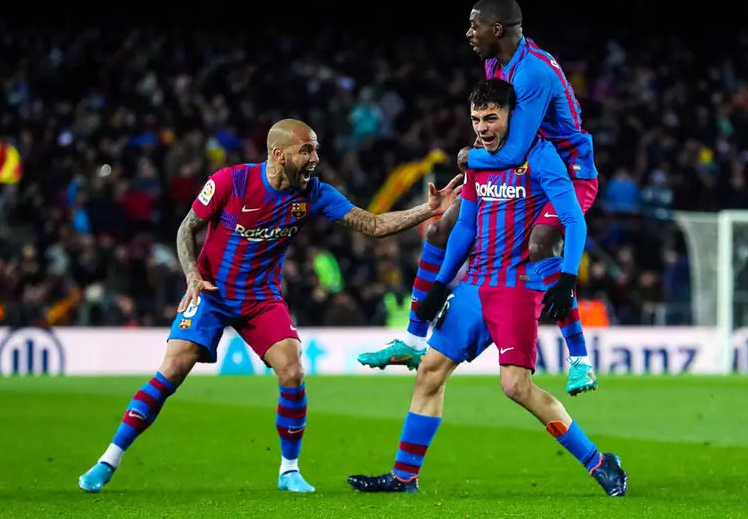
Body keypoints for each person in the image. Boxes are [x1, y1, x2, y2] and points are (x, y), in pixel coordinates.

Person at [78, 119, 462, 494]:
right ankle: (108, 460)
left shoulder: (314, 193)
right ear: (278, 154)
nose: (314, 158)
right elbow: (186, 227)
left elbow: (373, 225)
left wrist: (428, 210)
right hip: (211, 292)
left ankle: (289, 470)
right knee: (173, 368)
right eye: (306, 150)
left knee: (292, 370)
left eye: (316, 149)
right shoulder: (232, 181)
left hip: (261, 299)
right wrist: (192, 275)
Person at [348, 80, 626, 497]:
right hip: (476, 286)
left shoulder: (539, 155)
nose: (483, 127)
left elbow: (573, 218)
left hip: (516, 288)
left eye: (491, 117)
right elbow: (466, 225)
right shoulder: (478, 161)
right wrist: (443, 282)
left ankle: (598, 460)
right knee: (429, 371)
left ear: (513, 115)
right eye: (477, 119)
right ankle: (405, 477)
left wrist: (567, 277)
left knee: (516, 387)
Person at [358, 0, 600, 397]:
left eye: (475, 25)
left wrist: (469, 157)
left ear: (497, 30)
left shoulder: (533, 73)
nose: (469, 33)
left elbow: (515, 150)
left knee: (541, 244)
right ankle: (413, 341)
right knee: (442, 230)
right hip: (518, 164)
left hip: (565, 171)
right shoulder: (494, 63)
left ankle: (580, 359)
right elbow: (497, 131)